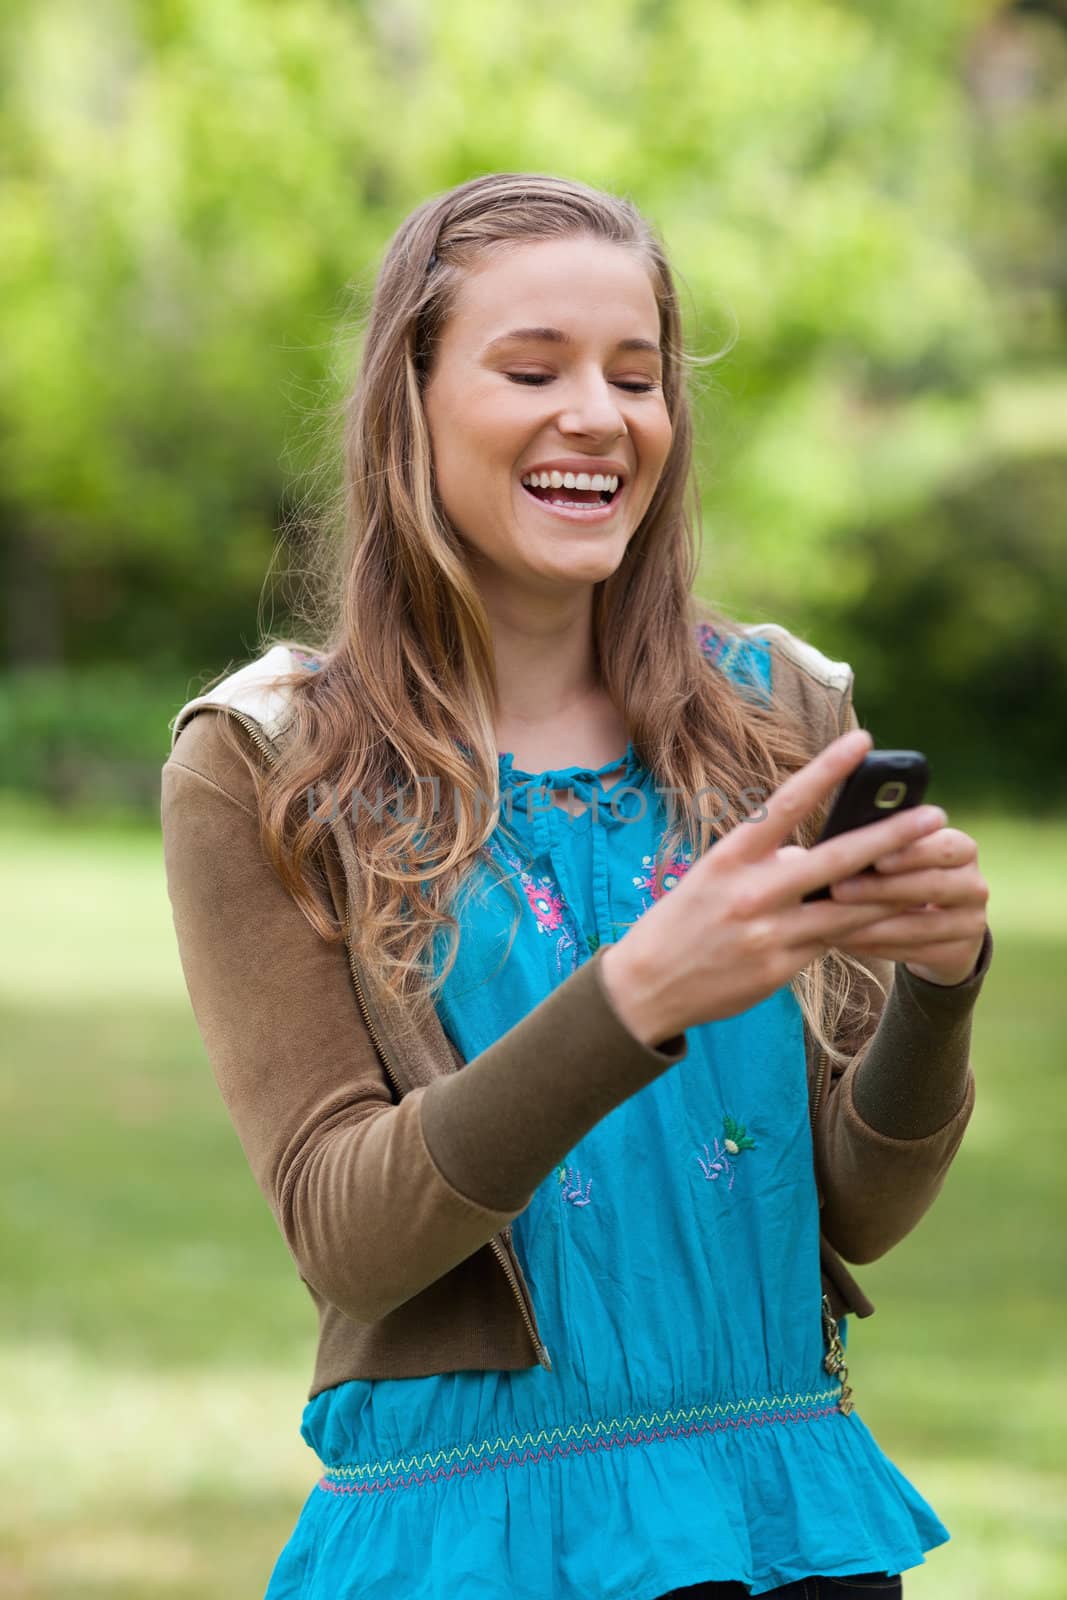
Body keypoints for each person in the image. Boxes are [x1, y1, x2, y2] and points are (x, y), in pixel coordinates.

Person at [161, 173, 993, 1600]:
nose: (600, 417)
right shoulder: (270, 758)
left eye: (639, 376)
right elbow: (351, 1237)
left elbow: (850, 1211)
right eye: (531, 368)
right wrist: (633, 999)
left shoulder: (777, 712)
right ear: (407, 399)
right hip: (469, 1539)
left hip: (789, 1518)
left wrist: (936, 988)